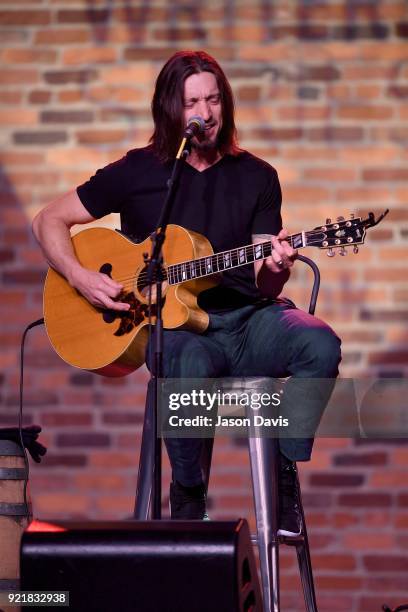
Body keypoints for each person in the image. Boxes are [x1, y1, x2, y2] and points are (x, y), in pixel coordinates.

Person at [32, 50, 341, 536]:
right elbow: (48, 218)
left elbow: (265, 276)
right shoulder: (138, 172)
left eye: (214, 99)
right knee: (190, 362)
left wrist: (278, 267)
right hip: (177, 333)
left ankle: (284, 473)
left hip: (248, 322)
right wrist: (79, 275)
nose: (206, 112)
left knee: (318, 342)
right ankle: (190, 492)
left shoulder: (258, 176)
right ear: (171, 110)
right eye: (193, 101)